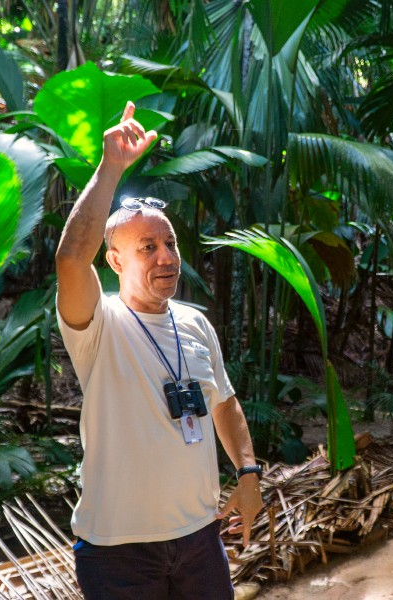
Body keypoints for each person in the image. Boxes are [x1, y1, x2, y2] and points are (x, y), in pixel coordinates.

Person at [55, 101, 263, 599]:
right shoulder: (98, 323)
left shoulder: (194, 322)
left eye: (169, 243)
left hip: (198, 539)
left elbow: (224, 402)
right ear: (115, 260)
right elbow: (69, 257)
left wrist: (249, 471)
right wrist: (111, 168)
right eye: (147, 246)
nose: (167, 256)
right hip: (119, 552)